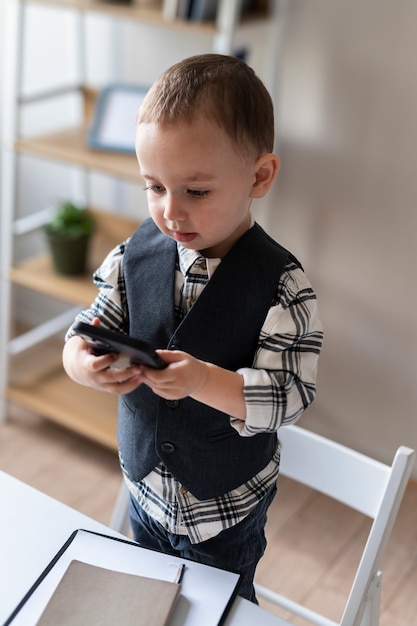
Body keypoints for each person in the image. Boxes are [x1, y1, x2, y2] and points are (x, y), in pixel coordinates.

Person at [63, 53, 323, 602]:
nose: (170, 212)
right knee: (150, 597)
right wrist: (85, 366)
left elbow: (290, 397)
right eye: (153, 187)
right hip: (144, 493)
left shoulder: (282, 285)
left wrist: (204, 381)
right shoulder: (137, 252)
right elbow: (84, 331)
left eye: (195, 191)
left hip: (224, 512)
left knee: (219, 609)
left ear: (259, 176)